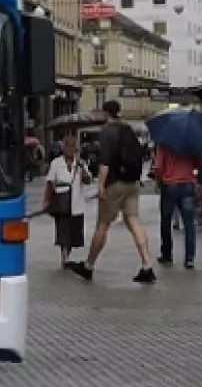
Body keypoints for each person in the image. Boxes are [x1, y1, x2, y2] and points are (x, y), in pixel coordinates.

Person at [69, 100, 157, 284]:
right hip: (132, 182)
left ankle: (88, 266)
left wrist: (101, 186)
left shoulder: (107, 131)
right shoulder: (128, 129)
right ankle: (147, 265)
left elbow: (105, 162)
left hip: (115, 183)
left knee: (103, 224)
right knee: (134, 221)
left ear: (105, 113)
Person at [44, 134, 92, 268]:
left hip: (76, 202)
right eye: (68, 146)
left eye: (73, 146)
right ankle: (64, 256)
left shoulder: (81, 163)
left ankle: (68, 253)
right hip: (61, 200)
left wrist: (83, 170)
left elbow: (88, 181)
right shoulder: (56, 163)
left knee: (73, 231)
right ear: (63, 148)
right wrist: (47, 200)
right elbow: (50, 182)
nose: (70, 149)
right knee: (63, 229)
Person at [152, 143, 201, 269]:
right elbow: (199, 163)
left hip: (169, 185)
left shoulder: (164, 144)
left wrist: (159, 180)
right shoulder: (191, 143)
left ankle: (167, 254)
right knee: (189, 223)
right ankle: (190, 258)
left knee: (166, 220)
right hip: (188, 184)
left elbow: (158, 167)